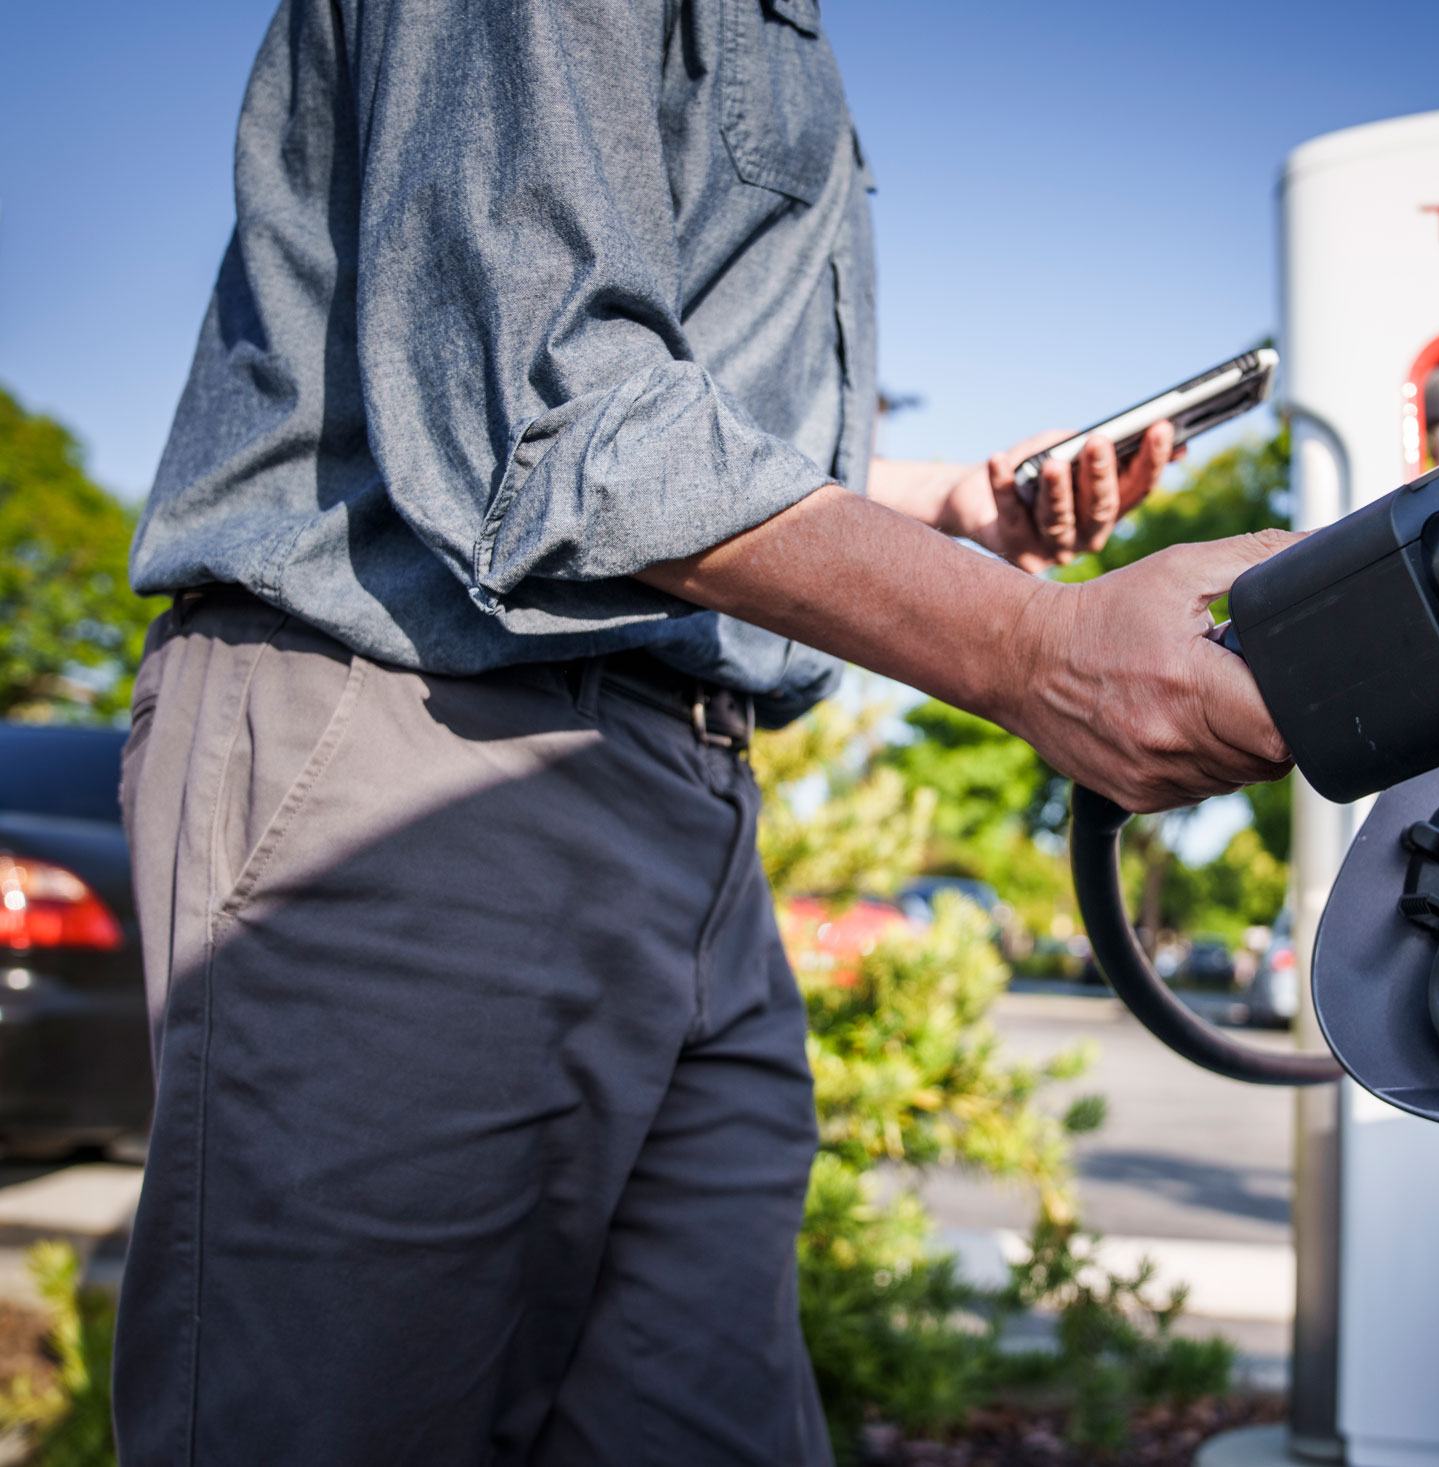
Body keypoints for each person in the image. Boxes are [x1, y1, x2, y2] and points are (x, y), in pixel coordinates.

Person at [115, 2, 1293, 1463]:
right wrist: (1032, 649)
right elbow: (547, 412)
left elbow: (678, 411)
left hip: (691, 788)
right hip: (415, 730)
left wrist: (947, 506)